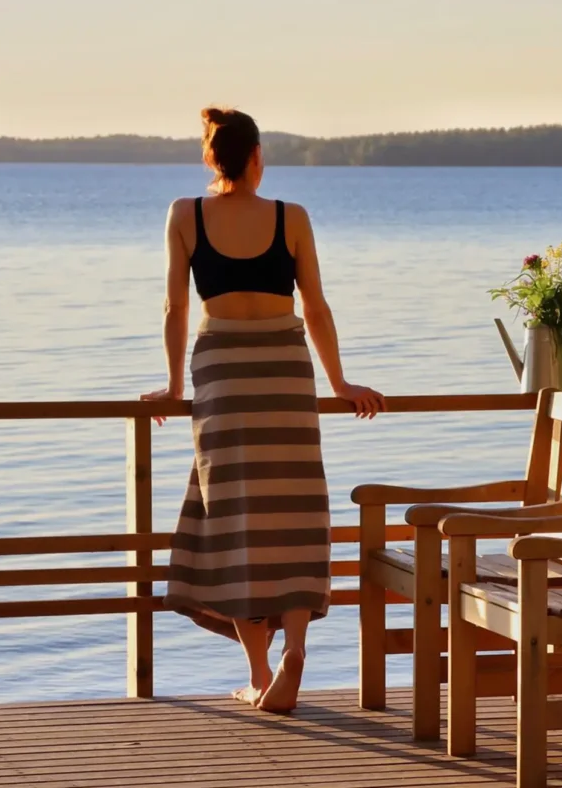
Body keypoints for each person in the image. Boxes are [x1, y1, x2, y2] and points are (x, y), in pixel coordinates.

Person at [142, 106, 385, 713]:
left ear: (210, 158)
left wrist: (173, 386)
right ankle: (294, 651)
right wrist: (340, 382)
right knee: (295, 506)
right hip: (285, 370)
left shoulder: (185, 214)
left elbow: (175, 309)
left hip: (222, 370)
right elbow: (318, 309)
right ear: (255, 158)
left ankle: (258, 673)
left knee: (237, 516)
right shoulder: (290, 217)